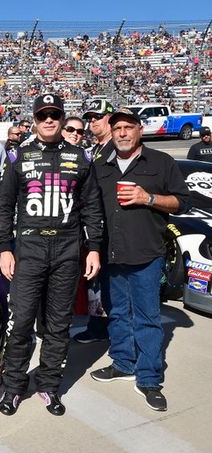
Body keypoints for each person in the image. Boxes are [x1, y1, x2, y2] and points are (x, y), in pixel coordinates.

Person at [0, 94, 103, 416]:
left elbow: (92, 207)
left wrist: (94, 248)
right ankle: (14, 387)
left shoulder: (81, 157)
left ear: (61, 117)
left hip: (68, 250)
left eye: (54, 114)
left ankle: (48, 385)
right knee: (21, 322)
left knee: (58, 324)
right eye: (43, 115)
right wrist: (4, 248)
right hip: (29, 249)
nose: (49, 120)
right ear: (34, 119)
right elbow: (4, 206)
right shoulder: (18, 156)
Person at [90, 108, 190, 412]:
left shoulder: (161, 162)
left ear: (139, 130)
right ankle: (123, 362)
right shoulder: (101, 165)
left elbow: (182, 203)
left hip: (147, 254)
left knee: (147, 317)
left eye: (128, 127)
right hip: (112, 254)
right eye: (117, 127)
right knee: (118, 313)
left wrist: (149, 198)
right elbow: (93, 210)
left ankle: (148, 377)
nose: (122, 133)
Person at [73, 99, 116, 344]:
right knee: (95, 281)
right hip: (93, 224)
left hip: (109, 227)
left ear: (109, 119)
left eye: (97, 117)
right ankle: (98, 326)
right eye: (90, 118)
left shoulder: (116, 148)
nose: (92, 123)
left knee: (107, 281)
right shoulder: (96, 148)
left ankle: (108, 329)